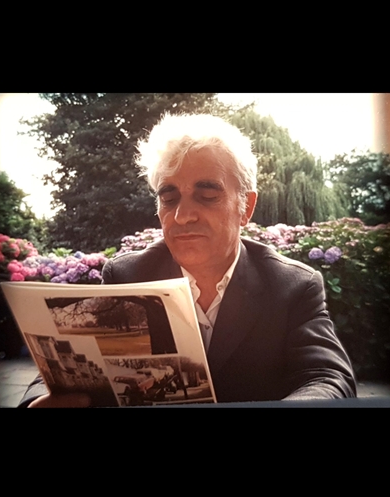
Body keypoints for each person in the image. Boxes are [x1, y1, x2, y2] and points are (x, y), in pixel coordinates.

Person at [20, 113, 356, 407]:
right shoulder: (128, 276)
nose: (182, 216)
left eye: (206, 195)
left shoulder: (292, 287)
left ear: (246, 207)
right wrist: (37, 402)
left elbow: (328, 378)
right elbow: (62, 372)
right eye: (169, 198)